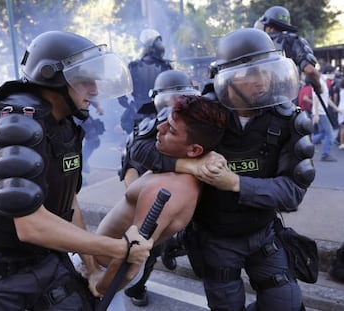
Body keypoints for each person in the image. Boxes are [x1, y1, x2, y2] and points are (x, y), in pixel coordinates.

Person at [0, 30, 153, 311]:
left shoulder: (63, 124)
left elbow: (68, 203)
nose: (94, 89)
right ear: (51, 76)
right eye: (84, 80)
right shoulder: (14, 124)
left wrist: (92, 269)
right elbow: (30, 225)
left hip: (44, 259)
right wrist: (116, 248)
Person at [131, 28, 316, 311]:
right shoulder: (201, 110)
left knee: (286, 304)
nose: (262, 81)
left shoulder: (286, 119)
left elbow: (292, 192)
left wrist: (235, 183)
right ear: (227, 77)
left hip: (263, 233)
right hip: (216, 237)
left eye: (266, 70)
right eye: (252, 73)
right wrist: (189, 163)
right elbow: (139, 148)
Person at [88, 94, 227, 309]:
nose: (159, 128)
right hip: (102, 264)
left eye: (171, 130)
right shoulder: (184, 168)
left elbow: (130, 260)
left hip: (105, 270)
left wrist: (99, 286)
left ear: (194, 150)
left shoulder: (166, 190)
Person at [117, 69, 201, 306]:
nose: (174, 108)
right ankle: (137, 287)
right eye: (169, 101)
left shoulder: (195, 128)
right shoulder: (143, 131)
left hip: (186, 200)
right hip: (153, 203)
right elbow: (129, 172)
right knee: (146, 253)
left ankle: (173, 247)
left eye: (181, 100)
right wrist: (140, 209)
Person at [255, 6, 322, 95]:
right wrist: (319, 87)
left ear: (269, 26)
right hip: (286, 101)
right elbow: (310, 70)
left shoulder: (258, 44)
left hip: (260, 101)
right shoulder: (293, 41)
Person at [118, 28, 172, 135]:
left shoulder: (133, 66)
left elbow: (121, 96)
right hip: (157, 112)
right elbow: (121, 94)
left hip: (147, 111)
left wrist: (131, 106)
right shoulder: (165, 66)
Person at [311, 67, 343, 162]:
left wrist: (336, 108)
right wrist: (316, 114)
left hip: (321, 112)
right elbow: (316, 98)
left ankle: (309, 143)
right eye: (332, 73)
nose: (333, 75)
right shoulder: (320, 83)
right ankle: (325, 154)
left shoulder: (322, 82)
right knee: (329, 133)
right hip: (320, 113)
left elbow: (326, 99)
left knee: (323, 133)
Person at [75, 101, 105, 175]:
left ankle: (83, 160)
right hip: (69, 115)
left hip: (82, 113)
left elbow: (90, 95)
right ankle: (77, 173)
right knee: (71, 145)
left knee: (94, 141)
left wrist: (97, 106)